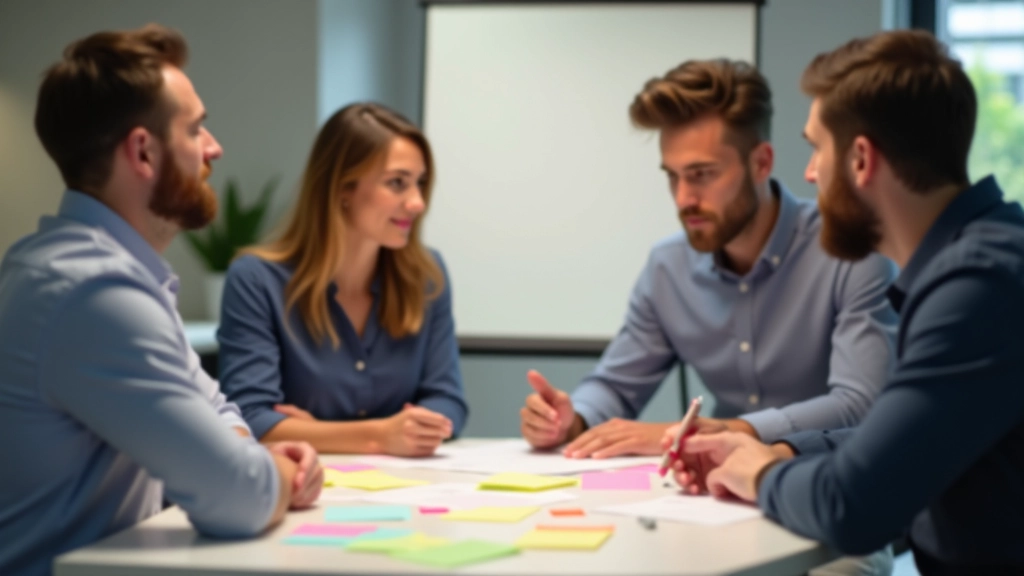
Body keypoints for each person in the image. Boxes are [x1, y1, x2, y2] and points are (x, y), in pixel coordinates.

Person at [669, 30, 1024, 575]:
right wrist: (781, 452)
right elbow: (905, 439)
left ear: (861, 159)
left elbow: (853, 507)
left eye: (816, 148)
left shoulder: (977, 286)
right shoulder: (980, 258)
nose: (809, 174)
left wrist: (762, 477)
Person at [0, 25, 322, 576]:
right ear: (143, 152)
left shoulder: (104, 271)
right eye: (196, 128)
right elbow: (238, 497)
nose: (213, 148)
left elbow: (217, 408)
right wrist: (274, 473)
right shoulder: (92, 293)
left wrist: (250, 459)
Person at [519, 59, 897, 459]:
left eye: (702, 174)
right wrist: (571, 419)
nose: (683, 199)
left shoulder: (851, 252)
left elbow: (860, 405)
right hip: (717, 492)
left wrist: (718, 432)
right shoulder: (668, 268)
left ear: (761, 163)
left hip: (826, 482)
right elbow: (615, 386)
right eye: (672, 176)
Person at [217, 103, 468, 456]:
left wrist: (314, 432)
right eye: (397, 183)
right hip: (304, 490)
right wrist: (380, 435)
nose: (417, 203)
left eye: (420, 183)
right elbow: (250, 420)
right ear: (342, 187)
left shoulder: (426, 275)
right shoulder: (257, 281)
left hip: (408, 489)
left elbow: (448, 401)